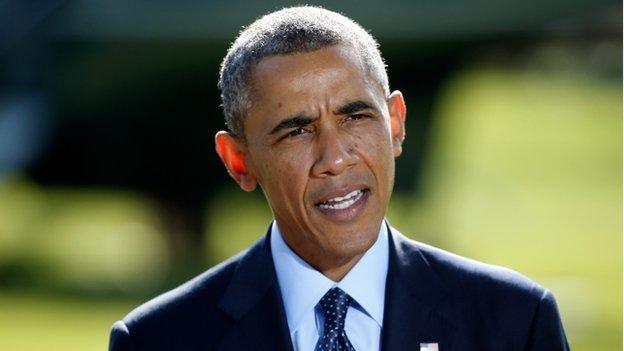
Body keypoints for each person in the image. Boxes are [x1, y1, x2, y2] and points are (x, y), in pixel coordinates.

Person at [109, 6, 569, 351]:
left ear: (395, 124)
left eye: (355, 117)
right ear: (238, 161)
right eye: (297, 131)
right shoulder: (158, 340)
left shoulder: (513, 322)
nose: (335, 158)